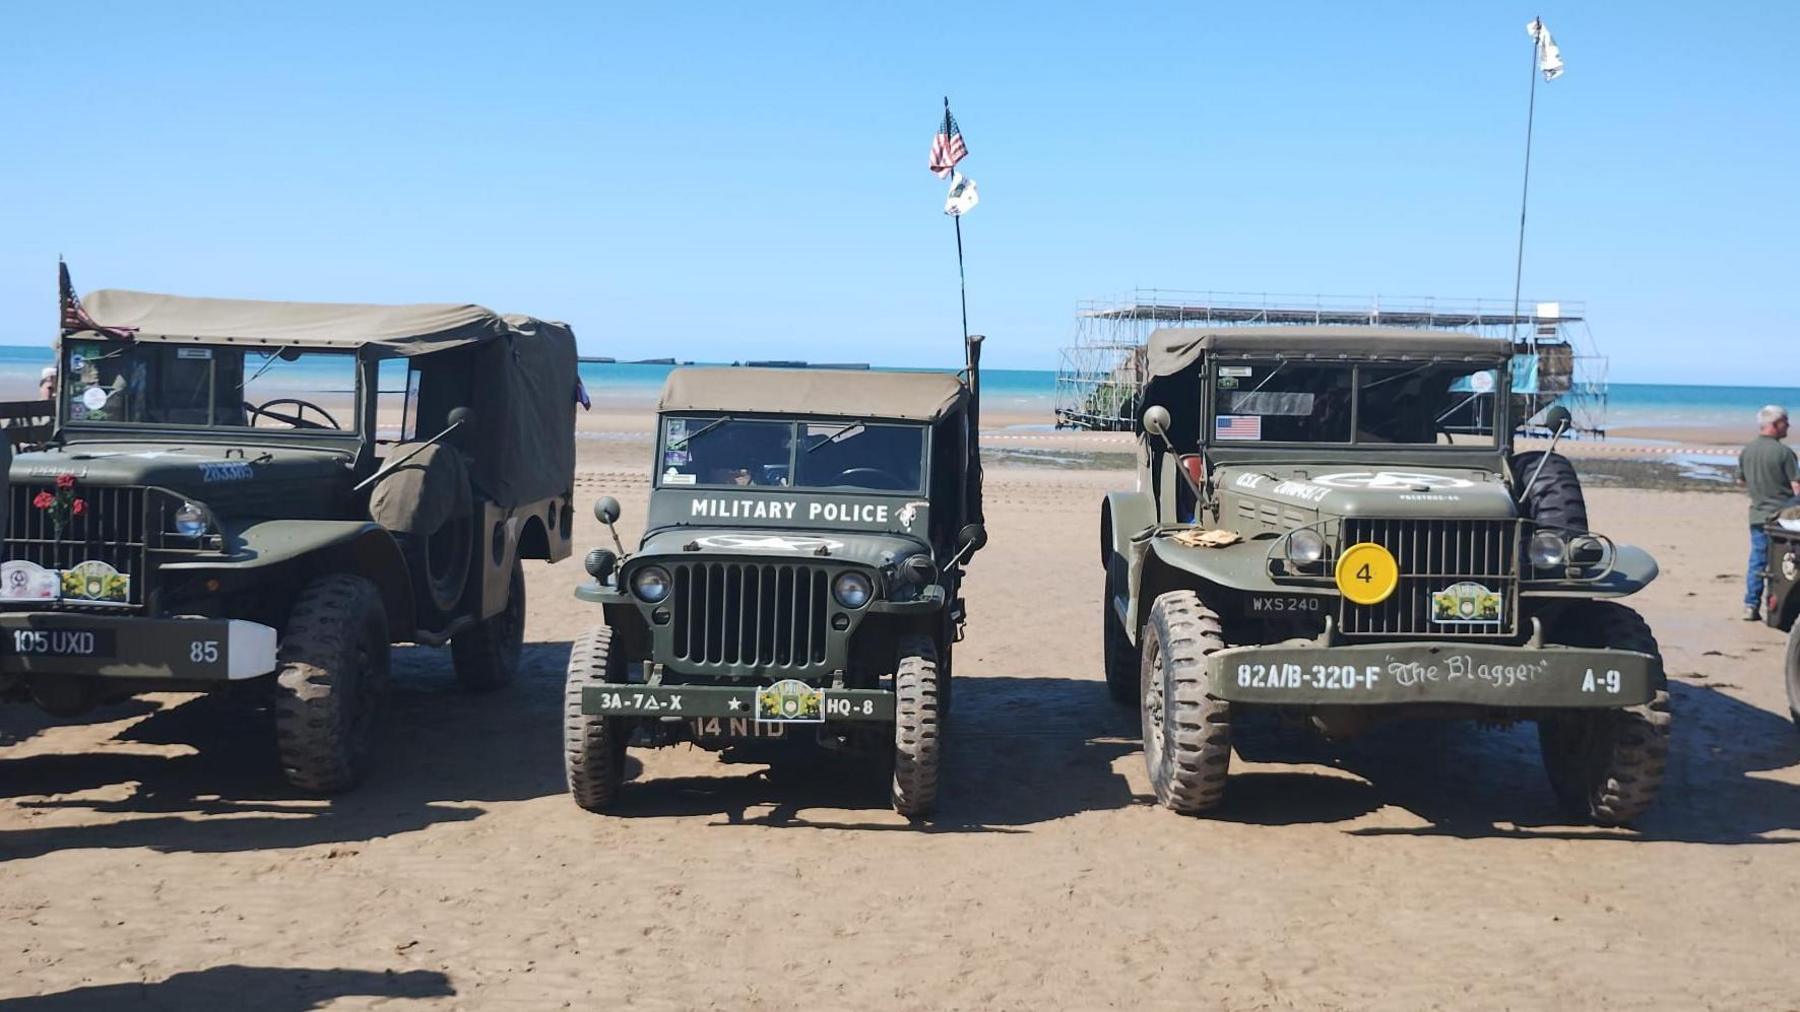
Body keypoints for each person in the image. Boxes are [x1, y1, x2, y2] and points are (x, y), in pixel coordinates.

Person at [1739, 404, 1800, 620]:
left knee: (1758, 560)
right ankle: (1780, 606)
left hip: (1757, 514)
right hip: (1782, 518)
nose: (1789, 425)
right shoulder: (1783, 453)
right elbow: (1796, 486)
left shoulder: (1748, 451)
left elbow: (1742, 480)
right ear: (1775, 425)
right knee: (1786, 562)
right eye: (1785, 422)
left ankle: (1751, 604)